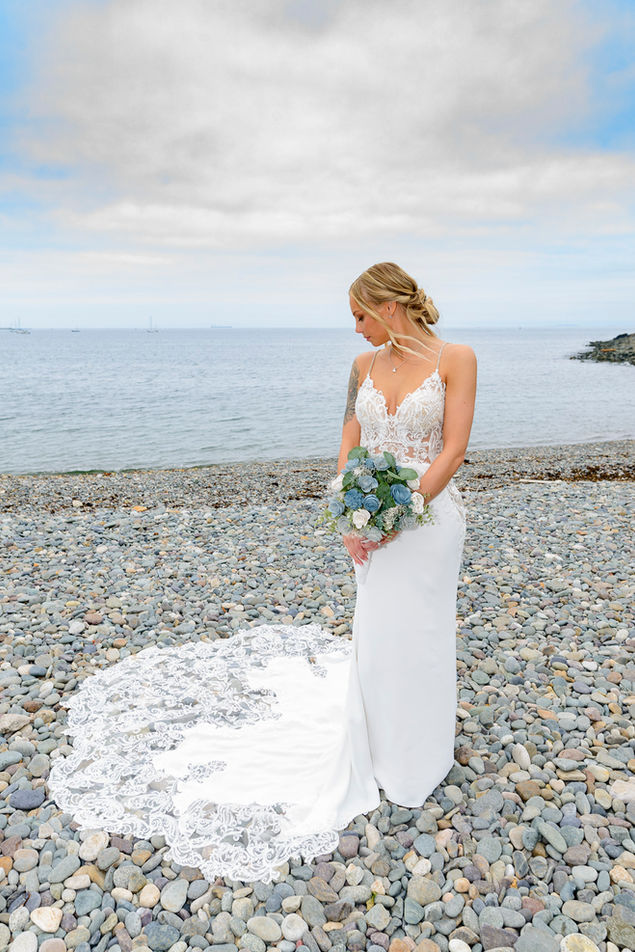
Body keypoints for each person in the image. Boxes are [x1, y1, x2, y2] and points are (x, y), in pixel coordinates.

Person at [47, 262, 477, 886]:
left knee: (423, 634)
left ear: (387, 306)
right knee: (377, 633)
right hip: (370, 518)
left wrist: (401, 514)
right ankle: (374, 744)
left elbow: (453, 450)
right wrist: (349, 507)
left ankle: (420, 755)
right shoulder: (361, 368)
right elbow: (351, 436)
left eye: (359, 314)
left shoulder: (456, 358)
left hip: (428, 522)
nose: (354, 328)